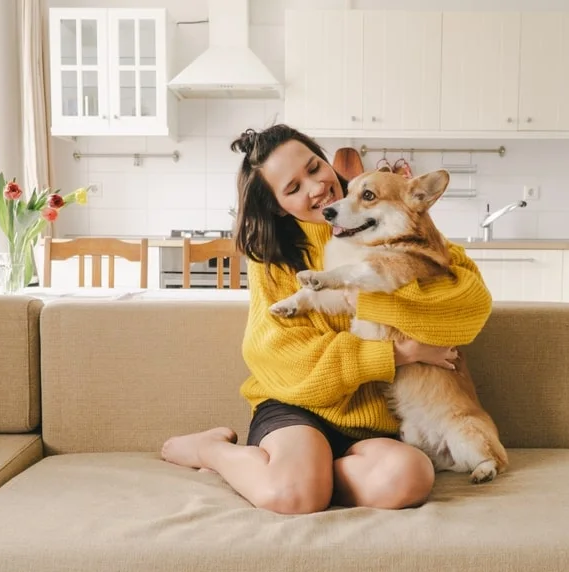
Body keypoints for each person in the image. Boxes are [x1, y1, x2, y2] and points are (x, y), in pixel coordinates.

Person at [161, 124, 493, 514]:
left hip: (375, 418)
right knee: (293, 496)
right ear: (276, 206)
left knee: (410, 479)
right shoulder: (272, 255)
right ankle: (211, 450)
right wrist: (396, 354)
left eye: (314, 167)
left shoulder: (395, 217)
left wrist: (365, 303)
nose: (316, 187)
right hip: (298, 407)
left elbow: (470, 308)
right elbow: (275, 354)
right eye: (293, 188)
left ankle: (311, 475)